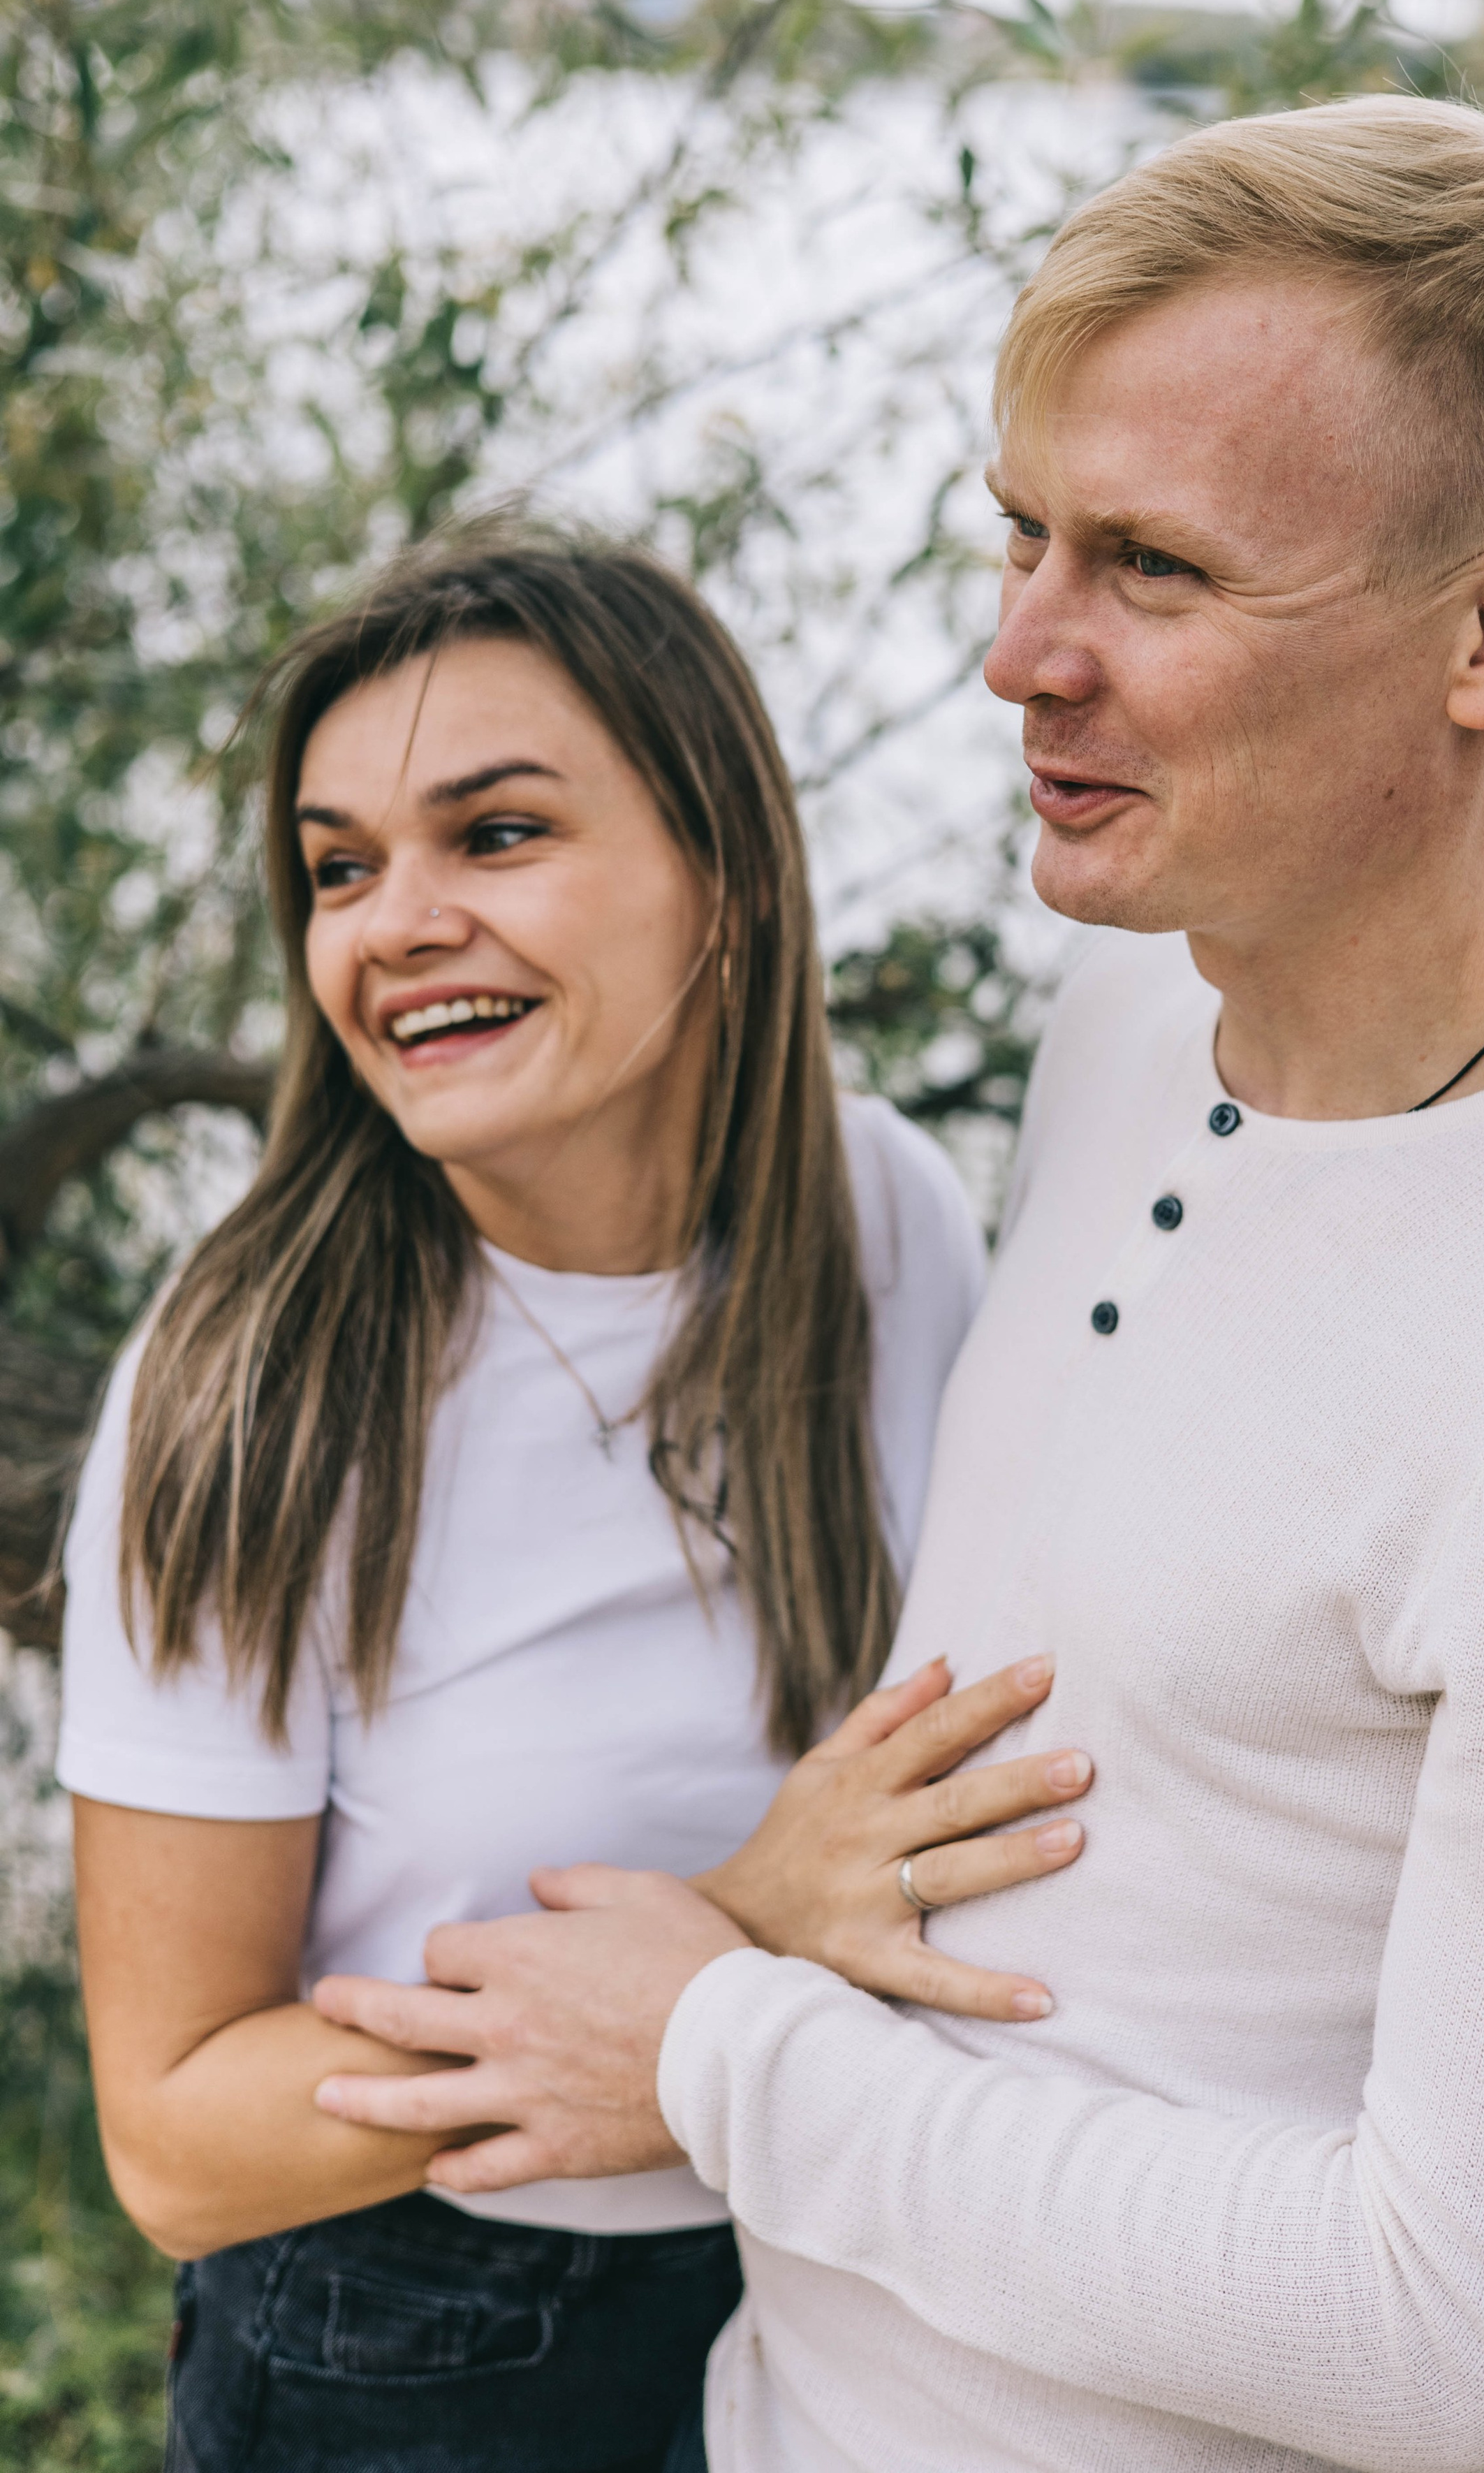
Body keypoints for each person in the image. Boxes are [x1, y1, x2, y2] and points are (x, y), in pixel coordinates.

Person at [314, 98, 1484, 2473]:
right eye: (1019, 537)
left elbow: (1454, 2339)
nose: (1020, 656)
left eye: (1155, 571)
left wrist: (716, 2052)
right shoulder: (1137, 998)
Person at [56, 527, 1097, 2473]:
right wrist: (735, 1930)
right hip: (409, 2354)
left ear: (723, 874)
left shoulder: (884, 1222)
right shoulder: (250, 1393)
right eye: (340, 866)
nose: (394, 922)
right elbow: (176, 2138)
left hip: (836, 2272)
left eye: (497, 834)